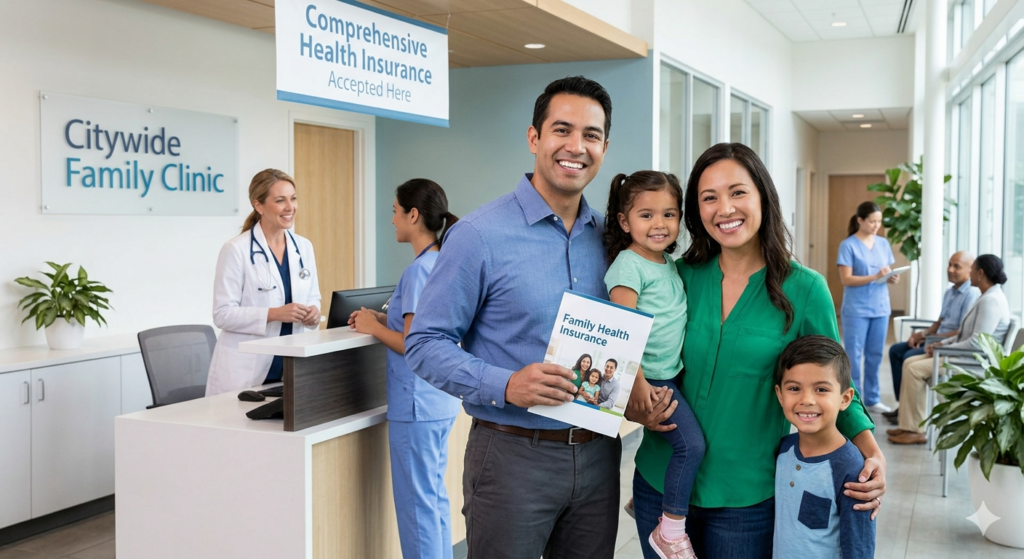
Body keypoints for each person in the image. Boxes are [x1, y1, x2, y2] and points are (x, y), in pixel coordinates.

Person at [627, 143, 885, 559]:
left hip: (746, 500)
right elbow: (632, 356)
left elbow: (837, 383)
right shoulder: (677, 277)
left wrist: (872, 454)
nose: (724, 208)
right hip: (661, 483)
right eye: (709, 198)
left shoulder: (805, 288)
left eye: (737, 192)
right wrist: (630, 404)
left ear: (763, 195)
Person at [406, 76, 626, 559]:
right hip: (511, 457)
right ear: (534, 138)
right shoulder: (478, 235)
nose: (576, 146)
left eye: (591, 135)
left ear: (605, 147)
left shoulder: (614, 240)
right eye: (561, 130)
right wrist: (505, 384)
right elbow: (424, 342)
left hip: (599, 456)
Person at [348, 179, 461, 559]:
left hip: (416, 406)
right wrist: (383, 317)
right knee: (431, 503)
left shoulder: (417, 272)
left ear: (414, 215)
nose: (392, 220)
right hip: (439, 403)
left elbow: (414, 344)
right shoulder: (441, 262)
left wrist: (374, 328)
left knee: (416, 510)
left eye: (396, 212)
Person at [605, 170, 704, 558]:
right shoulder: (628, 266)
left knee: (679, 443)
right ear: (624, 221)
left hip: (670, 372)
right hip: (652, 379)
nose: (660, 224)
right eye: (646, 215)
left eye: (669, 214)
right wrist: (638, 383)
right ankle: (670, 528)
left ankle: (644, 503)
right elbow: (620, 331)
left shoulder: (668, 263)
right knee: (691, 447)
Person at [206, 169, 321, 396]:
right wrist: (274, 313)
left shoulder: (303, 247)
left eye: (293, 198)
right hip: (246, 370)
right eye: (280, 200)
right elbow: (222, 314)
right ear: (258, 206)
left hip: (291, 364)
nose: (290, 207)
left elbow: (313, 296)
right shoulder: (236, 250)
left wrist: (314, 313)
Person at [888, 254, 1011, 445]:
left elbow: (978, 343)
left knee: (913, 368)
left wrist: (944, 350)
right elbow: (964, 334)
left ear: (980, 273)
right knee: (909, 361)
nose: (969, 274)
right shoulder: (986, 296)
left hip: (970, 361)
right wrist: (941, 344)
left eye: (971, 270)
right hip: (961, 355)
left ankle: (915, 430)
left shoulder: (991, 301)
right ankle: (908, 425)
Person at [773, 336, 875, 559]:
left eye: (821, 389)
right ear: (780, 395)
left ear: (845, 398)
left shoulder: (851, 469)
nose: (807, 399)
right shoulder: (783, 450)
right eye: (794, 388)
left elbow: (859, 548)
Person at [883, 251, 978, 424]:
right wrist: (922, 334)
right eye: (949, 264)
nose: (950, 269)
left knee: (909, 357)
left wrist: (934, 339)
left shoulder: (971, 295)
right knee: (896, 350)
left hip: (946, 344)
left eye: (957, 266)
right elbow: (939, 321)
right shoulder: (950, 292)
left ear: (971, 270)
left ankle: (909, 413)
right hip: (935, 338)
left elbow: (960, 332)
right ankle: (903, 406)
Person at [837, 201, 900, 414]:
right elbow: (846, 279)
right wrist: (875, 276)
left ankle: (873, 399)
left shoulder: (883, 244)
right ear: (860, 220)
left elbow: (886, 270)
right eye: (872, 221)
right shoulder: (848, 245)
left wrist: (890, 277)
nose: (876, 225)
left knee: (875, 355)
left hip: (880, 308)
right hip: (857, 310)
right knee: (853, 357)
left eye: (879, 222)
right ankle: (854, 402)